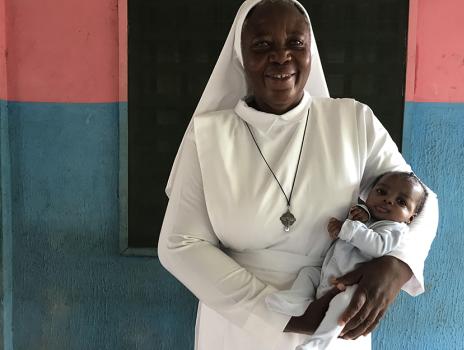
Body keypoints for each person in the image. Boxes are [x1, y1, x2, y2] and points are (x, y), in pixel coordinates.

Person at [157, 1, 439, 349]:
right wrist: (284, 318)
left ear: (310, 50)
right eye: (262, 45)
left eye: (296, 43)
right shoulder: (209, 135)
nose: (281, 57)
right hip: (240, 329)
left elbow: (422, 200)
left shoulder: (353, 121)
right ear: (241, 56)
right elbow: (179, 245)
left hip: (336, 319)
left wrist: (398, 264)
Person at [265, 171, 428, 350]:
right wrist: (349, 224)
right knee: (308, 273)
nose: (388, 200)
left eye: (401, 202)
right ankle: (296, 300)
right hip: (328, 273)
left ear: (410, 218)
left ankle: (318, 344)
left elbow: (377, 246)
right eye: (381, 192)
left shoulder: (395, 229)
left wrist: (347, 228)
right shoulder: (366, 216)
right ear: (368, 194)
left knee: (341, 307)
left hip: (351, 286)